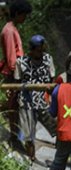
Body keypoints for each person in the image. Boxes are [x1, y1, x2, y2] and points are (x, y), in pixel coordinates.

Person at [15, 34, 55, 160]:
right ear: (32, 50)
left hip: (43, 100)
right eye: (38, 50)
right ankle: (31, 158)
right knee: (28, 134)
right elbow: (17, 82)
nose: (41, 53)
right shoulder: (21, 62)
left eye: (42, 50)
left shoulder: (48, 59)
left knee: (56, 128)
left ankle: (62, 156)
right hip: (26, 101)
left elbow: (52, 79)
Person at [1, 0, 32, 136]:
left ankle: (16, 134)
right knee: (13, 105)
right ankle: (14, 135)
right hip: (14, 73)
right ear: (17, 14)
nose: (25, 18)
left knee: (17, 105)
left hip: (17, 72)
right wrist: (18, 74)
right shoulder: (8, 31)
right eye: (24, 15)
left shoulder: (12, 29)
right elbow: (11, 58)